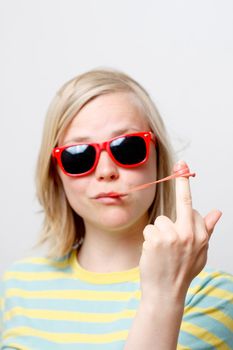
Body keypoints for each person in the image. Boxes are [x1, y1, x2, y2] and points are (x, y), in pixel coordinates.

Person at [1, 68, 233, 350]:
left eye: (127, 147)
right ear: (55, 175)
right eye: (79, 155)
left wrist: (163, 296)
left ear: (158, 159)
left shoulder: (212, 294)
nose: (106, 171)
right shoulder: (16, 288)